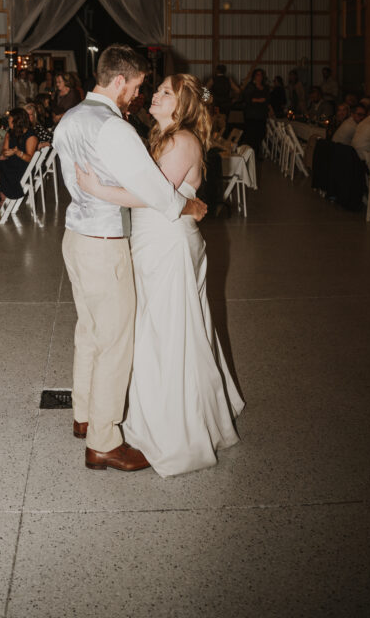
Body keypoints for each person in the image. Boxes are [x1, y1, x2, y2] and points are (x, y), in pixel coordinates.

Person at [76, 72, 244, 477]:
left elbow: (154, 196)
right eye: (156, 90)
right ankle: (153, 416)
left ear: (182, 105)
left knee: (166, 334)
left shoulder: (182, 141)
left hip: (168, 245)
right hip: (154, 241)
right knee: (154, 330)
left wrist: (97, 190)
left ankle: (173, 431)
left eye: (164, 92)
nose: (153, 95)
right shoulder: (160, 137)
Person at [53, 44, 207, 473]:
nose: (138, 95)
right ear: (119, 81)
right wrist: (189, 205)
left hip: (75, 236)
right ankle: (104, 441)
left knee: (90, 331)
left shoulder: (70, 118)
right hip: (104, 243)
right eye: (137, 86)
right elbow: (159, 194)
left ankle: (83, 415)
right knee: (116, 342)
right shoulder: (113, 126)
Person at [0, 107, 38, 224]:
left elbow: (29, 158)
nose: (8, 122)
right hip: (10, 164)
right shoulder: (9, 133)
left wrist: (17, 152)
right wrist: (5, 153)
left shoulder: (31, 136)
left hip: (23, 168)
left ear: (17, 121)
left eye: (10, 119)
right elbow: (4, 151)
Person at [242, 68, 269, 154]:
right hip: (251, 115)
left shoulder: (265, 87)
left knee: (261, 134)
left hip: (261, 115)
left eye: (261, 75)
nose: (259, 77)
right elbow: (247, 99)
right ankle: (250, 153)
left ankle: (257, 152)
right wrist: (258, 100)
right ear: (254, 76)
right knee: (251, 135)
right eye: (257, 75)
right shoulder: (250, 86)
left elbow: (267, 99)